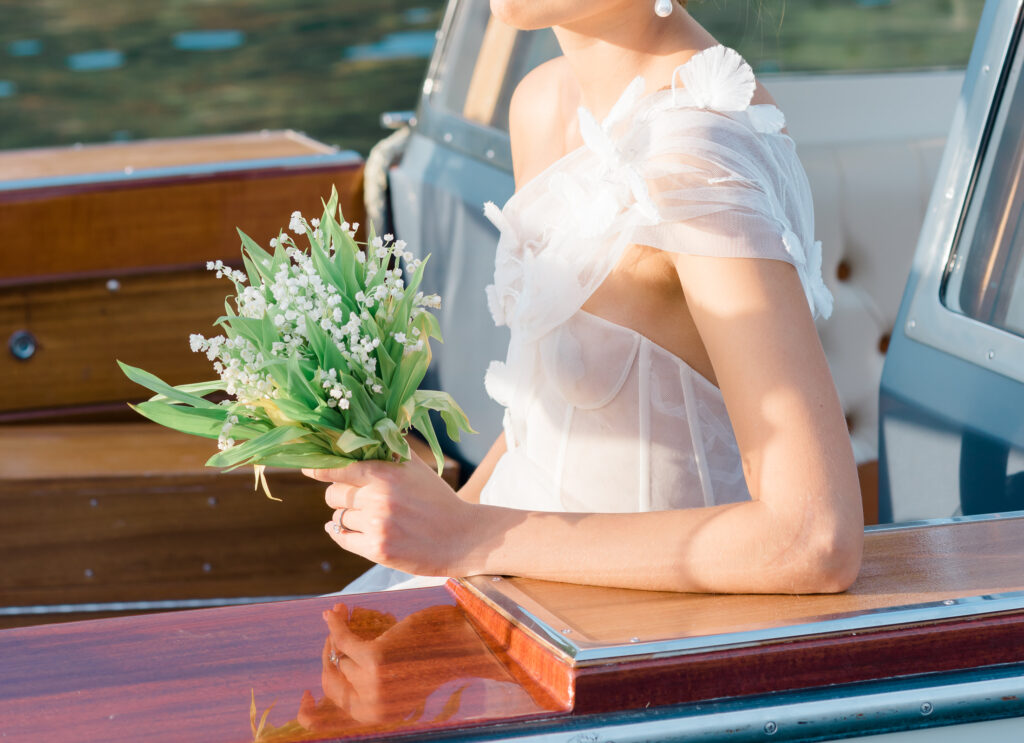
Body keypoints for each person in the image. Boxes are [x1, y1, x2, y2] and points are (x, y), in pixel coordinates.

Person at [303, 0, 864, 595]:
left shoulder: (697, 150)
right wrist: (436, 521)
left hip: (631, 636)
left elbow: (814, 537)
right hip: (515, 576)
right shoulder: (541, 104)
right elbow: (540, 423)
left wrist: (470, 536)